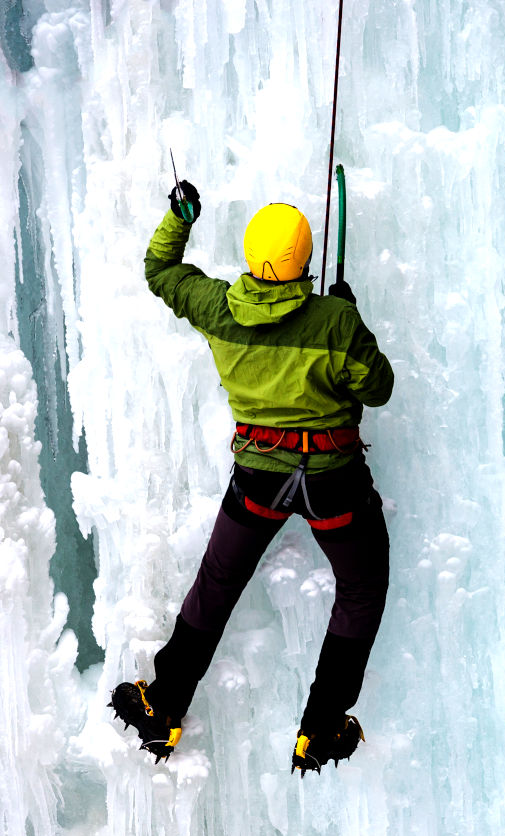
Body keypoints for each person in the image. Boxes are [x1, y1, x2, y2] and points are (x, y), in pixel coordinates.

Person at [109, 180, 393, 775]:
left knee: (217, 583)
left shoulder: (218, 308)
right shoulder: (334, 321)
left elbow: (161, 270)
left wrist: (180, 217)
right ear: (305, 261)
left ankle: (162, 707)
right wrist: (349, 317)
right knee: (361, 590)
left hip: (259, 480)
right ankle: (320, 729)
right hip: (333, 483)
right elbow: (378, 387)